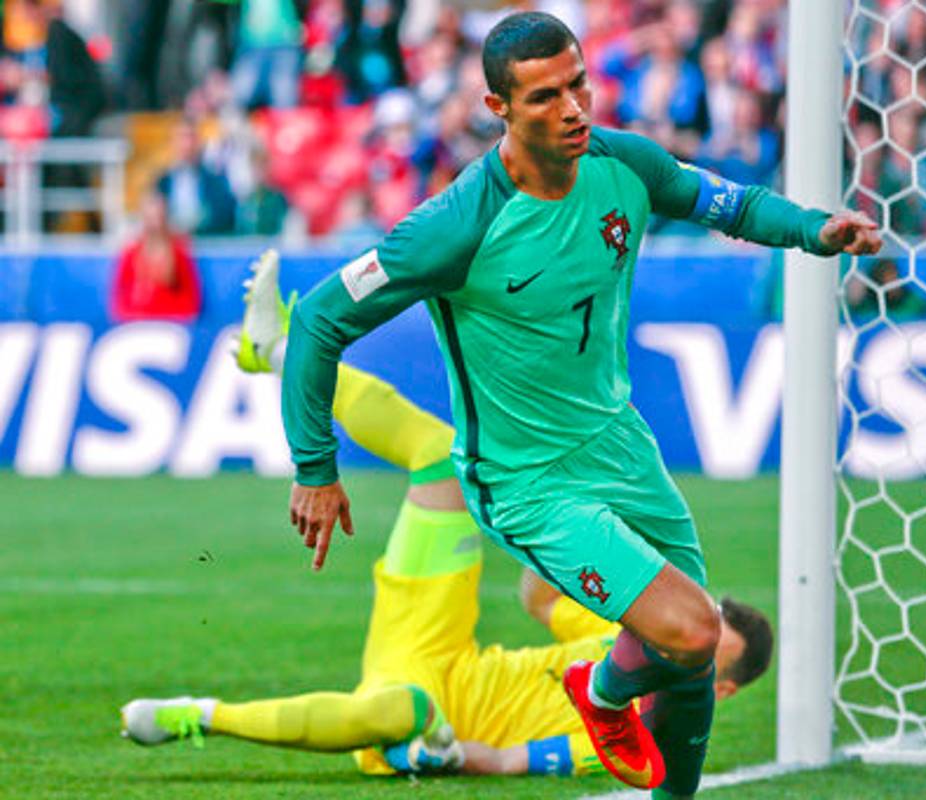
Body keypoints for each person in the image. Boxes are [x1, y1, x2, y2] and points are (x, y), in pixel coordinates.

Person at [279, 12, 880, 797]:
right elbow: (322, 317)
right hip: (528, 479)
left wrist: (813, 228)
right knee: (693, 629)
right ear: (499, 108)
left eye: (578, 85)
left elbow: (725, 203)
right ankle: (597, 694)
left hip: (620, 447)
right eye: (543, 97)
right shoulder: (458, 224)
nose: (572, 109)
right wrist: (314, 466)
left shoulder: (625, 163)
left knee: (688, 662)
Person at [120, 251, 775, 783]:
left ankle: (198, 716)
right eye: (701, 616)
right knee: (439, 459)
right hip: (437, 644)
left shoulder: (636, 737)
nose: (684, 628)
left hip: (426, 713)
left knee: (400, 707)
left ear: (719, 692)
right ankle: (279, 350)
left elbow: (512, 760)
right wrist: (568, 529)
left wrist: (452, 754)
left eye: (706, 643)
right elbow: (540, 595)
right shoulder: (627, 641)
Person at [110, 192, 203, 323]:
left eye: (158, 217)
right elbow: (120, 296)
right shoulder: (130, 252)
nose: (154, 223)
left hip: (171, 324)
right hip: (137, 324)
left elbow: (191, 298)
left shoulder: (179, 251)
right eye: (150, 217)